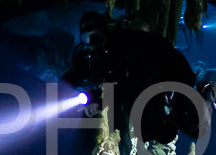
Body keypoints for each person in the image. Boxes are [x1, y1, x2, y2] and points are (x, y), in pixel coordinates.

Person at [63, 12, 207, 144]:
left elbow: (131, 84)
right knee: (150, 131)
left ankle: (203, 95)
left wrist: (100, 101)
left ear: (105, 32)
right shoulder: (105, 56)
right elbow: (115, 82)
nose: (93, 44)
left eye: (96, 37)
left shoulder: (127, 45)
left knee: (190, 126)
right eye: (87, 39)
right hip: (155, 93)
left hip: (165, 85)